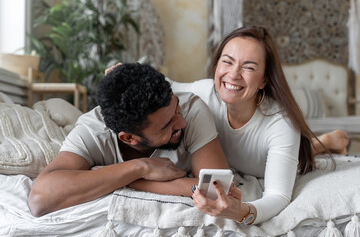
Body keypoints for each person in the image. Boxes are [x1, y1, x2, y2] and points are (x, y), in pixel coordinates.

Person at [166, 26, 349, 225]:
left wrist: (242, 211)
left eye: (249, 67)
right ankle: (324, 140)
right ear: (217, 65)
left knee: (302, 154)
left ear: (264, 80)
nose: (233, 74)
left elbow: (278, 196)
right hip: (235, 159)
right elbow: (165, 84)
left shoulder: (281, 122)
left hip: (263, 164)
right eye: (227, 61)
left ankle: (329, 140)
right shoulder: (204, 92)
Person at [28, 63, 229, 217]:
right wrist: (140, 167)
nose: (182, 123)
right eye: (167, 125)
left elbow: (217, 187)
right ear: (129, 138)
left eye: (176, 109)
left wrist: (133, 181)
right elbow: (40, 199)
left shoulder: (192, 109)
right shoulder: (93, 132)